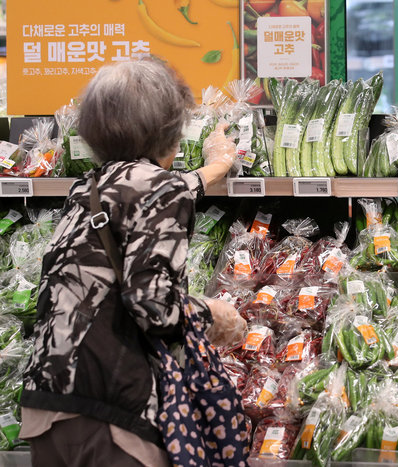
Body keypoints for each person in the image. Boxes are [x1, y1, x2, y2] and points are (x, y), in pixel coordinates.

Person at [19, 59, 248, 467]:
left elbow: (150, 194)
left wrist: (215, 168)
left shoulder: (86, 188)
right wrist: (211, 312)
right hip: (110, 409)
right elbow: (153, 307)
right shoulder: (162, 189)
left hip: (49, 402)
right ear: (168, 129)